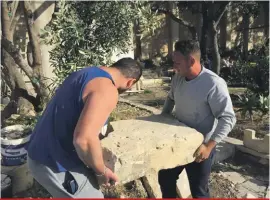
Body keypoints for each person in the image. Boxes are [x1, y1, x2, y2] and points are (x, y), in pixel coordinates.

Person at [27, 58, 142, 198]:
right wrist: (101, 171)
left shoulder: (85, 73)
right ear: (130, 82)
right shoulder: (107, 89)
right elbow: (84, 140)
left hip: (37, 152)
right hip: (56, 163)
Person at [159, 40, 236, 198]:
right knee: (165, 178)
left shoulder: (213, 84)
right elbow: (170, 98)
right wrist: (162, 118)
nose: (174, 66)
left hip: (200, 148)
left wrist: (208, 146)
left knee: (199, 191)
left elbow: (227, 118)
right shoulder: (178, 78)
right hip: (177, 142)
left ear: (191, 61)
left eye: (177, 62)